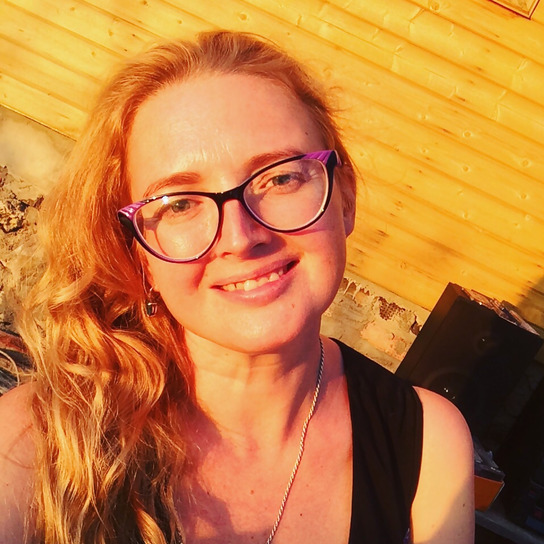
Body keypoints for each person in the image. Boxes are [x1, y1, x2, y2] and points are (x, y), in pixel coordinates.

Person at [0, 31, 474, 543]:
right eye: (180, 204)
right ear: (138, 253)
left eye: (280, 178)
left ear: (345, 198)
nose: (241, 238)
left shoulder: (427, 445)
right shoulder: (34, 443)